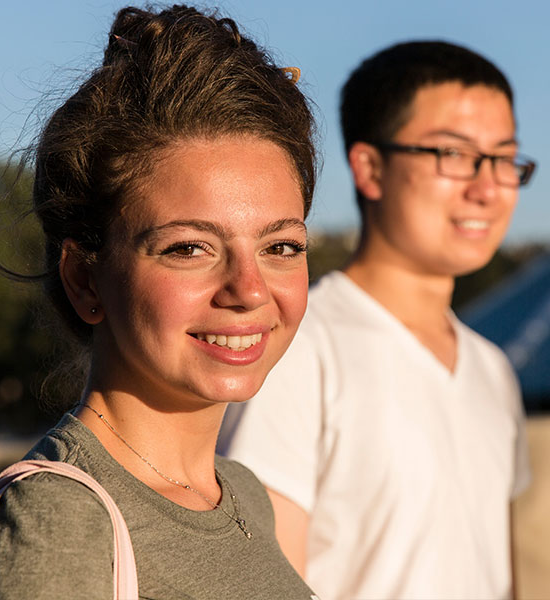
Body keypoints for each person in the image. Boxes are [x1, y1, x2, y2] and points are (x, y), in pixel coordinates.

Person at [0, 5, 320, 599]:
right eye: (189, 248)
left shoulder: (243, 495)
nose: (250, 289)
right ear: (85, 280)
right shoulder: (56, 520)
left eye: (281, 245)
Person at [226, 40, 535, 600]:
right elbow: (262, 577)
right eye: (455, 154)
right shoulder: (296, 349)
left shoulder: (494, 370)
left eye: (505, 159)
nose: (487, 189)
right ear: (369, 167)